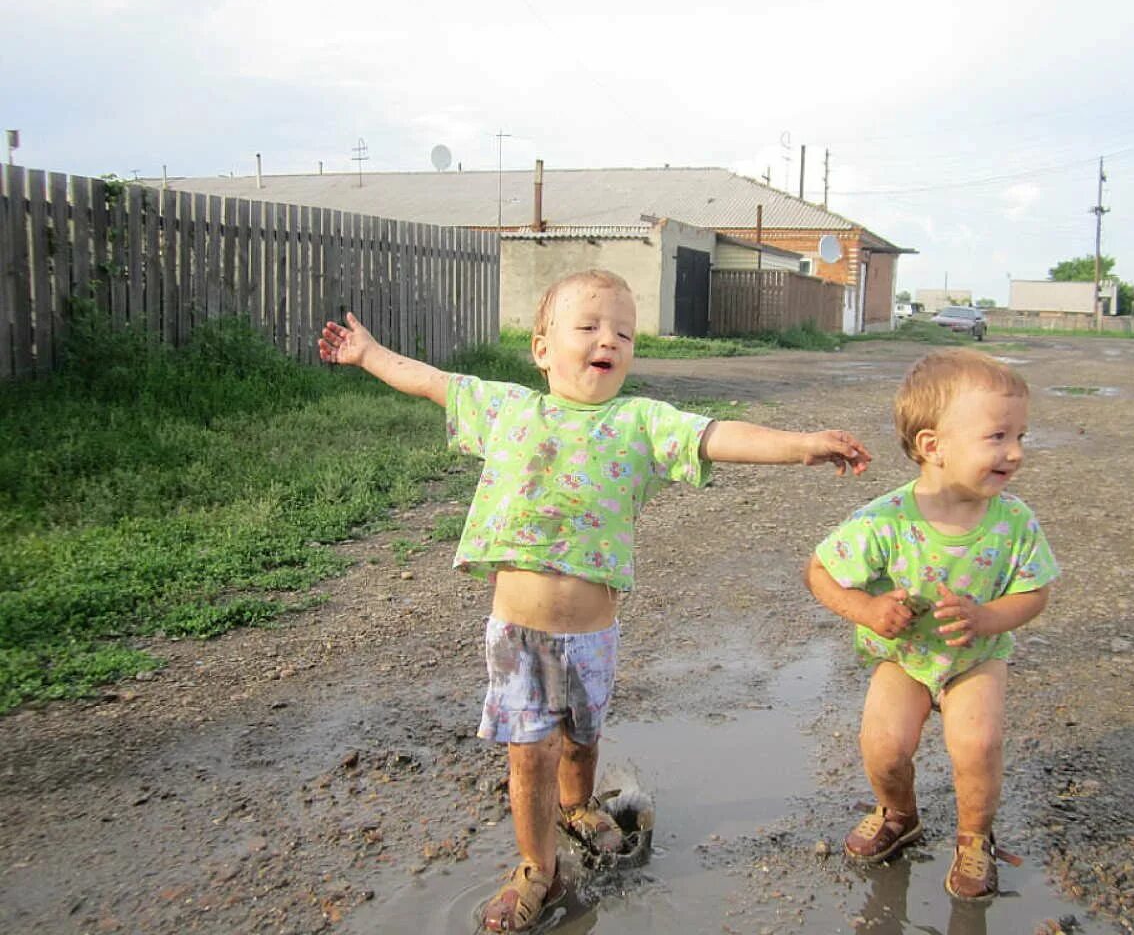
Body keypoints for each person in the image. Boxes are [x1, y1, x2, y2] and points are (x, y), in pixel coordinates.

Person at [318, 269, 872, 932]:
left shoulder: (640, 422)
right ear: (542, 347)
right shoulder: (507, 410)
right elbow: (433, 381)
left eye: (624, 333)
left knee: (580, 741)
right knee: (531, 753)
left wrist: (803, 446)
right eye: (587, 327)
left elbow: (717, 436)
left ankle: (578, 807)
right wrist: (369, 354)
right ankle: (536, 869)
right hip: (519, 635)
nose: (607, 339)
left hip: (592, 636)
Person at [804, 348, 1058, 902]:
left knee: (977, 742)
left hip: (976, 655)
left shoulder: (1014, 522)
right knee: (884, 744)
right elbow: (820, 572)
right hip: (906, 658)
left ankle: (973, 838)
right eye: (997, 437)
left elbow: (1035, 591)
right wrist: (868, 611)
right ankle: (900, 813)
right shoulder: (885, 519)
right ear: (932, 446)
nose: (1014, 453)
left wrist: (987, 617)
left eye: (1022, 437)